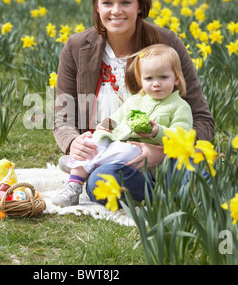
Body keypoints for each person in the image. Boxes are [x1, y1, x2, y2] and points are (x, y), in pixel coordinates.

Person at [53, 0, 215, 207]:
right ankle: (171, 197)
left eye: (126, 2)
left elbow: (203, 120)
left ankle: (181, 194)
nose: (116, 11)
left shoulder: (166, 44)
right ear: (97, 7)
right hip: (111, 156)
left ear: (140, 5)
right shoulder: (76, 47)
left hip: (166, 153)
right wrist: (73, 143)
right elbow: (63, 119)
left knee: (194, 171)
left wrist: (163, 151)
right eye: (107, 3)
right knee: (100, 180)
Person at [52, 44, 193, 207]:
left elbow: (182, 138)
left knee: (126, 151)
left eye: (163, 77)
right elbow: (117, 118)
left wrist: (158, 132)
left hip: (143, 158)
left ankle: (83, 166)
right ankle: (73, 186)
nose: (156, 84)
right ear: (141, 80)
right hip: (118, 146)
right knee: (93, 140)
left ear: (176, 78)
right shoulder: (135, 101)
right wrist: (107, 125)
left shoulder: (180, 107)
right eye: (149, 78)